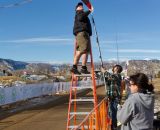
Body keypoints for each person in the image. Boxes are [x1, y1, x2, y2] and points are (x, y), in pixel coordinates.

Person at [70, 2, 93, 75]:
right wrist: (89, 10)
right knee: (81, 50)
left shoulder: (83, 14)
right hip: (81, 33)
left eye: (81, 6)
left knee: (85, 51)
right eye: (79, 6)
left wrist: (90, 32)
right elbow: (81, 17)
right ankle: (74, 67)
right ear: (76, 9)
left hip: (85, 33)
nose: (81, 7)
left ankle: (83, 68)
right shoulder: (79, 13)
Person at [101, 64, 123, 130]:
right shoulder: (112, 76)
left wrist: (104, 72)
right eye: (115, 67)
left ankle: (114, 127)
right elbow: (106, 81)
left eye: (116, 67)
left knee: (113, 113)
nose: (114, 68)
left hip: (115, 97)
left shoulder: (118, 76)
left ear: (118, 69)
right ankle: (112, 126)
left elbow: (112, 77)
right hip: (111, 97)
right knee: (111, 113)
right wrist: (104, 74)